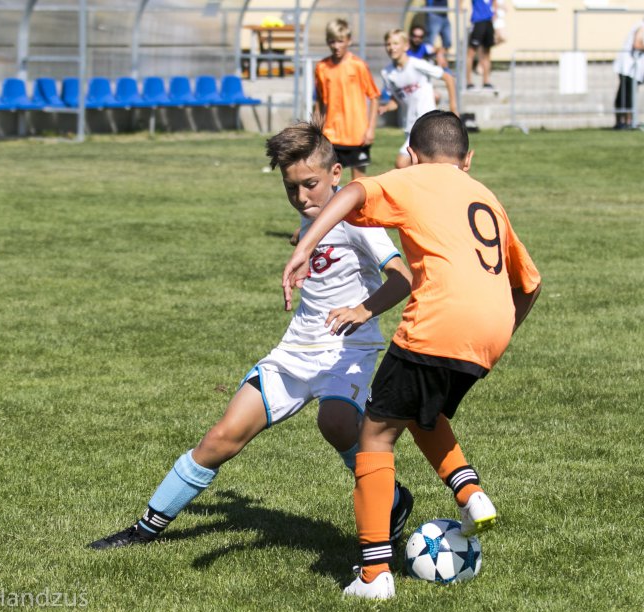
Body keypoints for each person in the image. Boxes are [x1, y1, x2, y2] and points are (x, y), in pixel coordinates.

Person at [88, 120, 415, 551]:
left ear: (336, 174)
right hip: (294, 352)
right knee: (221, 437)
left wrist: (362, 309)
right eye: (291, 188)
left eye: (311, 185)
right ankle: (143, 530)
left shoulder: (359, 221)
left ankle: (392, 498)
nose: (302, 197)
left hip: (347, 351)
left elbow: (403, 278)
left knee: (335, 423)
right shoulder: (309, 217)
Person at [282, 111, 542, 599]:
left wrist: (304, 247)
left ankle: (374, 575)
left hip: (439, 319)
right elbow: (531, 284)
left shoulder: (415, 178)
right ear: (468, 159)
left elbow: (352, 191)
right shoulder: (486, 196)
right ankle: (470, 493)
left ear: (413, 155)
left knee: (375, 435)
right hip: (490, 331)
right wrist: (496, 336)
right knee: (422, 412)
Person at [379, 29, 458, 169]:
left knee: (402, 163)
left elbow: (448, 78)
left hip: (428, 123)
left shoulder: (417, 64)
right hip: (410, 127)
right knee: (423, 167)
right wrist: (385, 107)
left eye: (396, 43)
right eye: (388, 44)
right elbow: (397, 100)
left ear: (406, 46)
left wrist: (454, 108)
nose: (391, 47)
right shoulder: (387, 73)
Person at [314, 18, 381, 182]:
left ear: (349, 41)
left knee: (358, 184)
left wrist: (370, 129)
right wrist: (315, 130)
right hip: (331, 135)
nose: (336, 46)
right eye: (332, 41)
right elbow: (320, 102)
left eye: (340, 41)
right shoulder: (322, 67)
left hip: (357, 135)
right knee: (328, 183)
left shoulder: (358, 65)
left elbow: (374, 96)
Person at [612, 11, 644, 130]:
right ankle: (625, 121)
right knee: (626, 95)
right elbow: (637, 44)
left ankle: (626, 121)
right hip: (629, 69)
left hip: (634, 70)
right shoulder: (641, 27)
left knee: (628, 94)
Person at [466, 0, 501, 91]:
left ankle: (486, 82)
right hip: (478, 22)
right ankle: (469, 82)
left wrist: (495, 13)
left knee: (487, 54)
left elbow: (495, 2)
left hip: (488, 22)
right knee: (471, 53)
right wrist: (460, 7)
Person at [424, 0, 451, 69]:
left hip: (444, 14)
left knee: (447, 43)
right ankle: (428, 64)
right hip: (434, 13)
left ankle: (443, 65)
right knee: (430, 42)